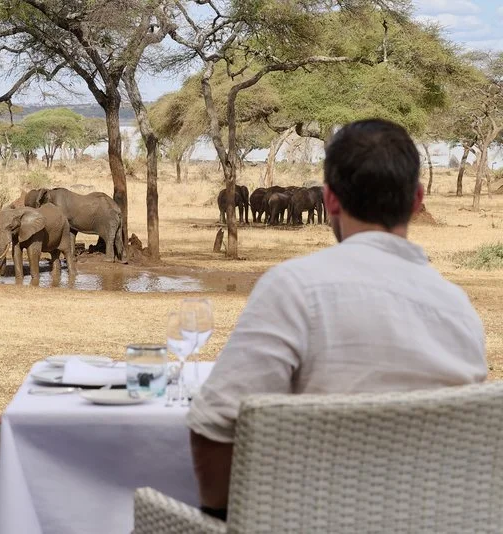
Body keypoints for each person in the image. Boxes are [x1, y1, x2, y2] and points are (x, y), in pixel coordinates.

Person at [187, 119, 488, 520]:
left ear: (328, 200)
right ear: (417, 201)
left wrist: (223, 518)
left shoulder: (294, 289)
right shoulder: (460, 310)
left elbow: (214, 427)